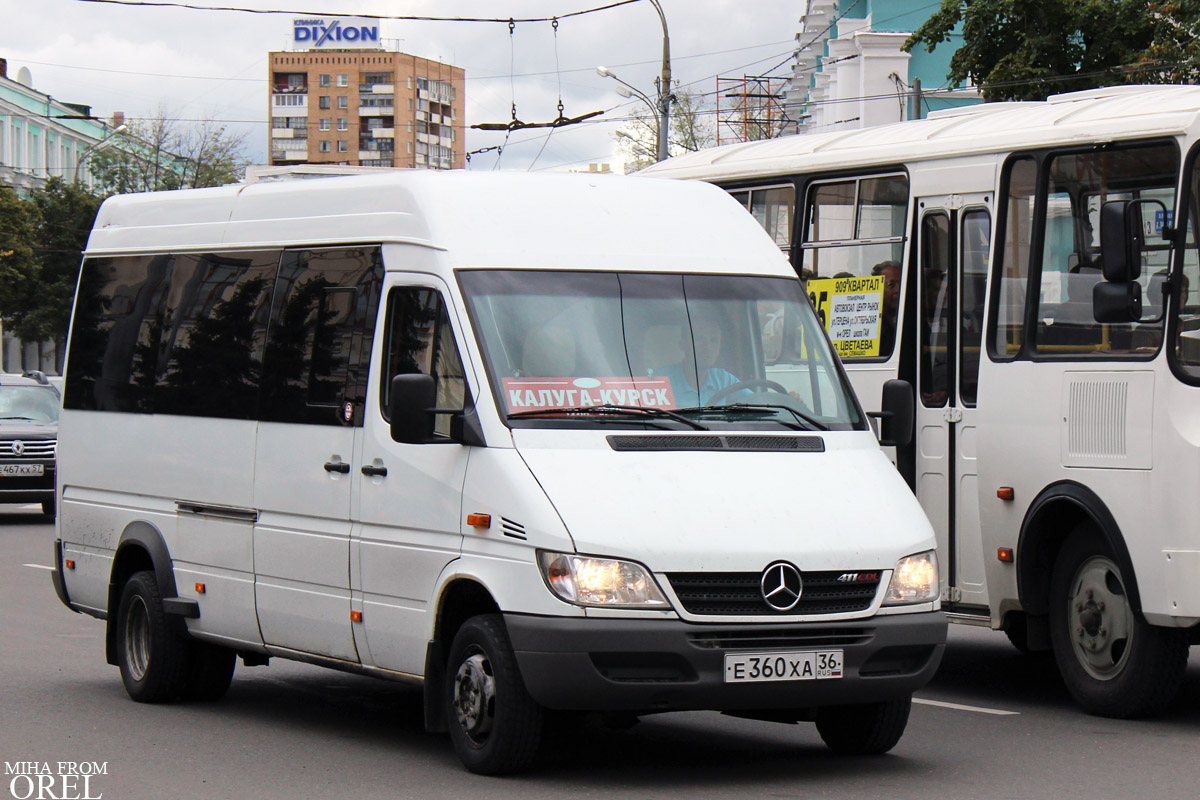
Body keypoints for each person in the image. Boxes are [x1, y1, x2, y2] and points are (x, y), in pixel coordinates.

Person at [651, 316, 742, 407]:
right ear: (683, 345)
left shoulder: (724, 380)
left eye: (714, 341)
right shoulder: (660, 380)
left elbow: (753, 401)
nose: (707, 348)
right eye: (699, 339)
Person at [872, 260, 901, 357]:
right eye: (891, 285)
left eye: (901, 283)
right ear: (877, 288)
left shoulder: (912, 321)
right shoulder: (871, 325)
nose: (898, 290)